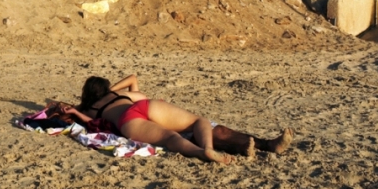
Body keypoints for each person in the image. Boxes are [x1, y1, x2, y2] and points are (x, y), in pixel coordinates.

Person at [59, 74, 293, 165]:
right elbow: (133, 79)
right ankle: (211, 147)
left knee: (170, 139)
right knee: (200, 122)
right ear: (107, 88)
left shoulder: (91, 108)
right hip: (146, 106)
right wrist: (113, 90)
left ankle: (203, 153)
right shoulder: (123, 95)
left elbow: (78, 116)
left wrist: (79, 111)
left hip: (128, 121)